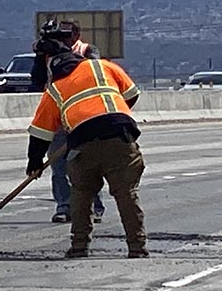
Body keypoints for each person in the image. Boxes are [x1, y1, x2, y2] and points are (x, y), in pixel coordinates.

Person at [25, 26, 147, 259]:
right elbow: (131, 93)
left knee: (81, 194)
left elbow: (40, 132)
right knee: (126, 194)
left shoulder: (55, 88)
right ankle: (137, 247)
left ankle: (80, 247)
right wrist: (112, 114)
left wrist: (34, 163)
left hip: (83, 144)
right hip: (121, 137)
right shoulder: (104, 66)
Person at [32, 19, 106, 224]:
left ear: (75, 35)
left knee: (87, 164)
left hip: (83, 116)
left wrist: (65, 54)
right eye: (58, 37)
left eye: (65, 36)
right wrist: (40, 57)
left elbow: (93, 72)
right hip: (58, 114)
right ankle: (64, 206)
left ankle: (94, 205)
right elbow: (37, 81)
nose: (62, 40)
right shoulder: (48, 54)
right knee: (59, 166)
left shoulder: (87, 50)